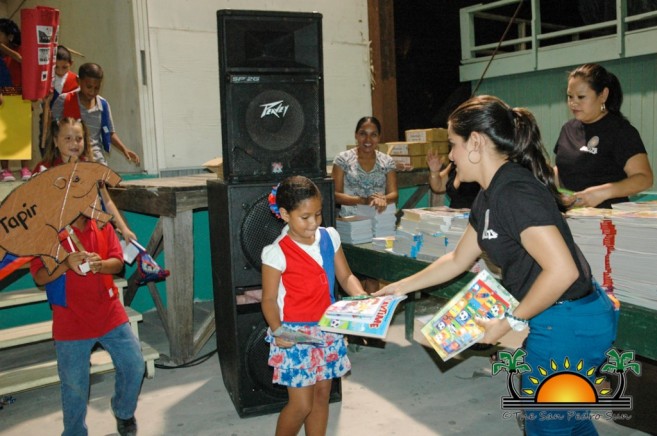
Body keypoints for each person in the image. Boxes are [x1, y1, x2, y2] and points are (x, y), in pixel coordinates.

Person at [375, 95, 617, 435]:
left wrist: (508, 322)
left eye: (453, 144)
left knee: (548, 426)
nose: (450, 155)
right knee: (569, 422)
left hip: (569, 322)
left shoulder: (514, 192)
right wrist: (399, 287)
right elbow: (457, 258)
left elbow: (563, 271)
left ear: (476, 143)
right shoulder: (490, 195)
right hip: (558, 317)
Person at [29, 133, 144, 435]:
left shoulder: (102, 224)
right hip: (70, 319)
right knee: (74, 389)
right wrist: (64, 264)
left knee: (134, 365)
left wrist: (98, 264)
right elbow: (39, 276)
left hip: (108, 311)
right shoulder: (49, 232)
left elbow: (118, 263)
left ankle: (123, 410)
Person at [261, 175, 368, 436]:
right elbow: (268, 299)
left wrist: (361, 296)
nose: (313, 223)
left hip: (329, 327)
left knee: (322, 395)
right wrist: (277, 329)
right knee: (301, 405)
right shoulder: (276, 252)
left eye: (318, 215)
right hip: (293, 335)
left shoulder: (329, 237)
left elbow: (345, 276)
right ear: (285, 214)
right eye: (305, 217)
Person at [554, 63, 653, 208]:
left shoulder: (621, 131)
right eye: (570, 97)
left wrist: (602, 193)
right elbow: (563, 171)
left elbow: (644, 178)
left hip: (607, 221)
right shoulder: (568, 129)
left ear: (603, 95)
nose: (573, 103)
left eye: (581, 97)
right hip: (571, 216)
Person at [34, 117, 137, 243]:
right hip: (58, 238)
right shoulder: (44, 169)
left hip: (90, 234)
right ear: (55, 141)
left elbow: (107, 201)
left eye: (79, 139)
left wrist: (124, 229)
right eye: (68, 139)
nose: (74, 144)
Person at [331, 116, 398, 293]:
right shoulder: (342, 160)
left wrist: (384, 198)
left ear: (379, 138)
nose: (368, 140)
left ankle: (373, 312)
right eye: (363, 134)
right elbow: (335, 195)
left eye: (373, 135)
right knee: (354, 275)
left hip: (378, 224)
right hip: (351, 226)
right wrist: (362, 200)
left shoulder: (387, 161)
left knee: (373, 274)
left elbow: (394, 194)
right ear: (356, 135)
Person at [51, 62, 140, 166]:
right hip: (70, 161)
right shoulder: (64, 100)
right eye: (89, 87)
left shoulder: (103, 105)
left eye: (96, 88)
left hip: (97, 161)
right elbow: (53, 130)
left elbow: (110, 133)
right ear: (78, 81)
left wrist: (124, 149)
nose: (92, 92)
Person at [0, 18, 31, 181]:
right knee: (3, 133)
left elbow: (22, 60)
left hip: (21, 97)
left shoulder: (20, 49)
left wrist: (3, 47)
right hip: (3, 97)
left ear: (10, 36)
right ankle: (5, 169)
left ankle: (24, 167)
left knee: (22, 133)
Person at [40, 45, 79, 154]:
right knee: (48, 146)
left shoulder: (76, 80)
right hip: (49, 120)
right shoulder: (46, 80)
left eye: (64, 67)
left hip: (69, 121)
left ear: (71, 63)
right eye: (56, 67)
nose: (60, 71)